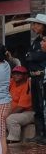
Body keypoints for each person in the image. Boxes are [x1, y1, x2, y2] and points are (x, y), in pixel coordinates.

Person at [23, 14, 46, 144]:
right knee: (36, 106)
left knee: (43, 106)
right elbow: (28, 56)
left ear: (43, 25)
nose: (33, 27)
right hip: (34, 78)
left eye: (36, 24)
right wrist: (34, 55)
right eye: (33, 24)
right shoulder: (36, 41)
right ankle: (40, 134)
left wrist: (34, 55)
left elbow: (35, 56)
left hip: (43, 77)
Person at [6, 66, 34, 143]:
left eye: (19, 74)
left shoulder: (27, 85)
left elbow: (20, 107)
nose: (16, 76)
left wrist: (7, 114)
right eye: (14, 74)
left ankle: (14, 139)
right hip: (14, 110)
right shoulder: (12, 81)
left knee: (11, 119)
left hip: (28, 112)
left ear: (25, 76)